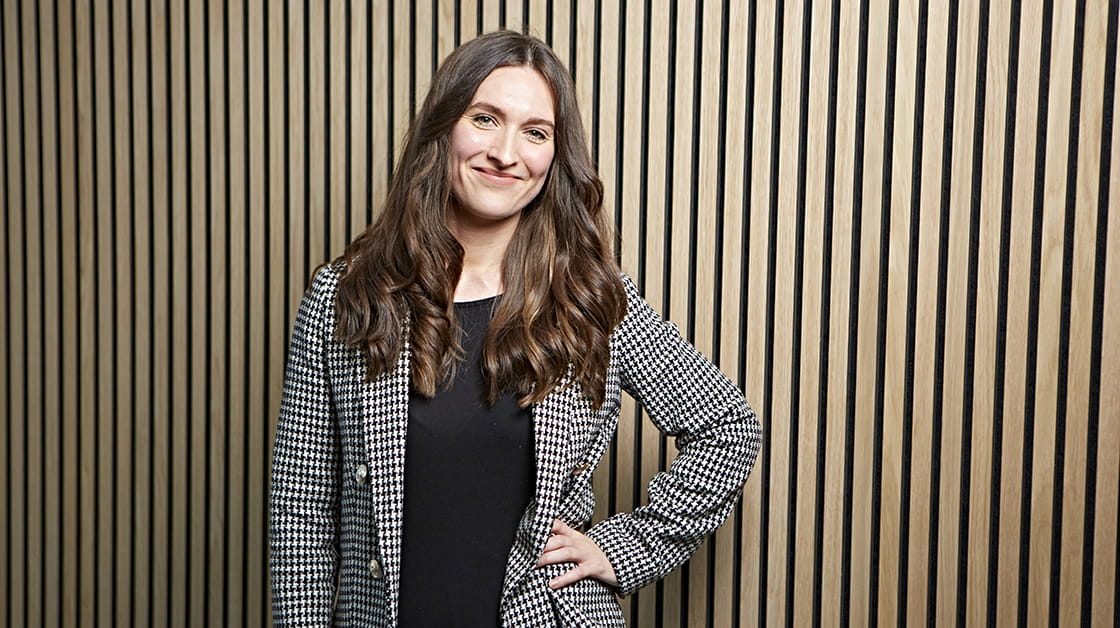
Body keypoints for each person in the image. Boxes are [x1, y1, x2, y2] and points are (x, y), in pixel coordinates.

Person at [270, 29, 761, 627]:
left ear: (555, 157)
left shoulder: (587, 299)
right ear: (444, 128)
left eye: (535, 133)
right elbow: (301, 516)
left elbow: (728, 426)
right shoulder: (346, 296)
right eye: (485, 119)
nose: (507, 152)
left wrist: (622, 549)